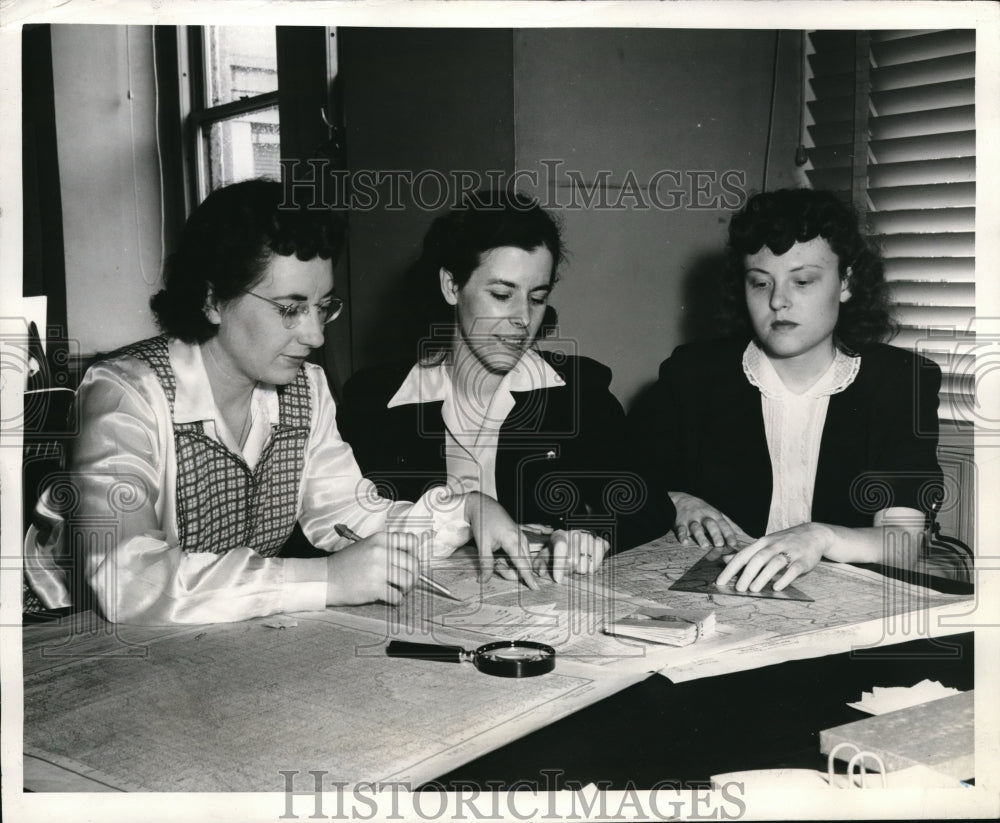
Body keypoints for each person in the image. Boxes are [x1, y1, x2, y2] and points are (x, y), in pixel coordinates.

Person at [23, 179, 537, 625]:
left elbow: (348, 513)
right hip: (68, 641)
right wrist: (326, 580)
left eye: (322, 306)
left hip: (208, 642)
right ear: (211, 299)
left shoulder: (305, 390)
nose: (314, 334)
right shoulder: (126, 391)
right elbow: (125, 576)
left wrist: (465, 511)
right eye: (290, 309)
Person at [337, 190, 673, 583]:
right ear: (450, 285)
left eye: (537, 298)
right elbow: (340, 519)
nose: (522, 318)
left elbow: (647, 500)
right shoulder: (374, 400)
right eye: (501, 294)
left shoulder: (578, 390)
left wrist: (590, 533)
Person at [627, 188, 943, 592]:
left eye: (803, 281)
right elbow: (625, 478)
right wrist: (676, 500)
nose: (778, 301)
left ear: (845, 282)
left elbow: (904, 542)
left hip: (847, 604)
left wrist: (821, 536)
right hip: (721, 600)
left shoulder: (901, 381)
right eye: (760, 283)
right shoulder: (693, 374)